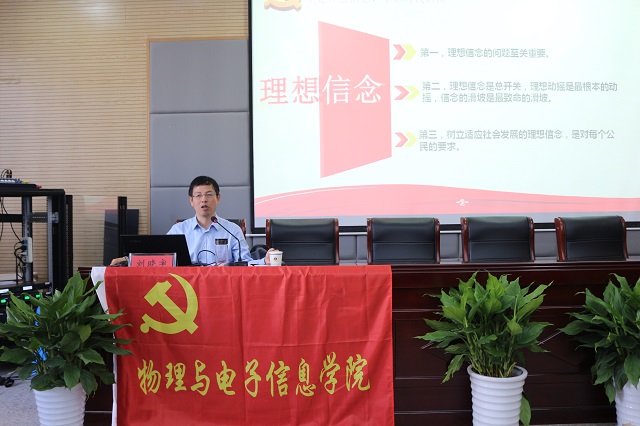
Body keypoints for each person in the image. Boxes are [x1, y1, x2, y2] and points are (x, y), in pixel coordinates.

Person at [111, 175, 273, 266]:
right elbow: (159, 257)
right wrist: (127, 260)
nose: (204, 200)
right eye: (198, 195)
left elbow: (245, 263)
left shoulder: (232, 230)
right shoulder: (179, 230)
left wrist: (264, 261)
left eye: (209, 195)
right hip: (186, 287)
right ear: (191, 200)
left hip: (223, 286)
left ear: (218, 198)